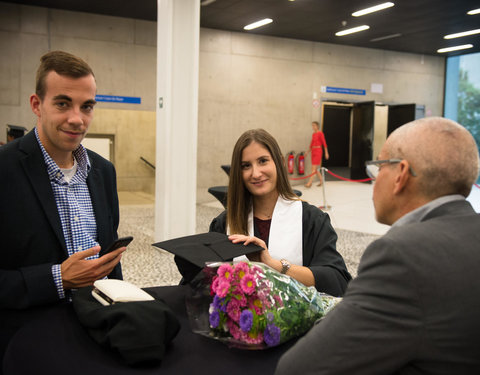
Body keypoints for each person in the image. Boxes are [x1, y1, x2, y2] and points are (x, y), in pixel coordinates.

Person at [275, 117, 480, 374]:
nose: (374, 180)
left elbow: (300, 368)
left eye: (378, 167)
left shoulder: (401, 255)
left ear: (401, 175)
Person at [0, 51, 125, 364]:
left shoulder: (103, 172)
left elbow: (111, 257)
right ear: (36, 105)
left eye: (87, 106)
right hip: (28, 343)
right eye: (62, 103)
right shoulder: (5, 171)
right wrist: (58, 278)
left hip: (100, 333)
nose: (76, 118)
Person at [209, 128, 351, 297]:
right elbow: (207, 282)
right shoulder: (225, 223)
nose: (255, 173)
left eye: (263, 161)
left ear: (279, 162)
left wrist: (274, 265)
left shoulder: (311, 219)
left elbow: (337, 280)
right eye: (246, 166)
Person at [304, 121, 329, 188]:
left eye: (314, 125)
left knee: (313, 168)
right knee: (316, 169)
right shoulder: (313, 134)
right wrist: (307, 152)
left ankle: (309, 183)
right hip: (313, 151)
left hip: (318, 151)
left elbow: (324, 143)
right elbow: (311, 144)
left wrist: (326, 152)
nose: (313, 127)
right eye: (312, 125)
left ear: (317, 126)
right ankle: (321, 181)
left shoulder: (320, 133)